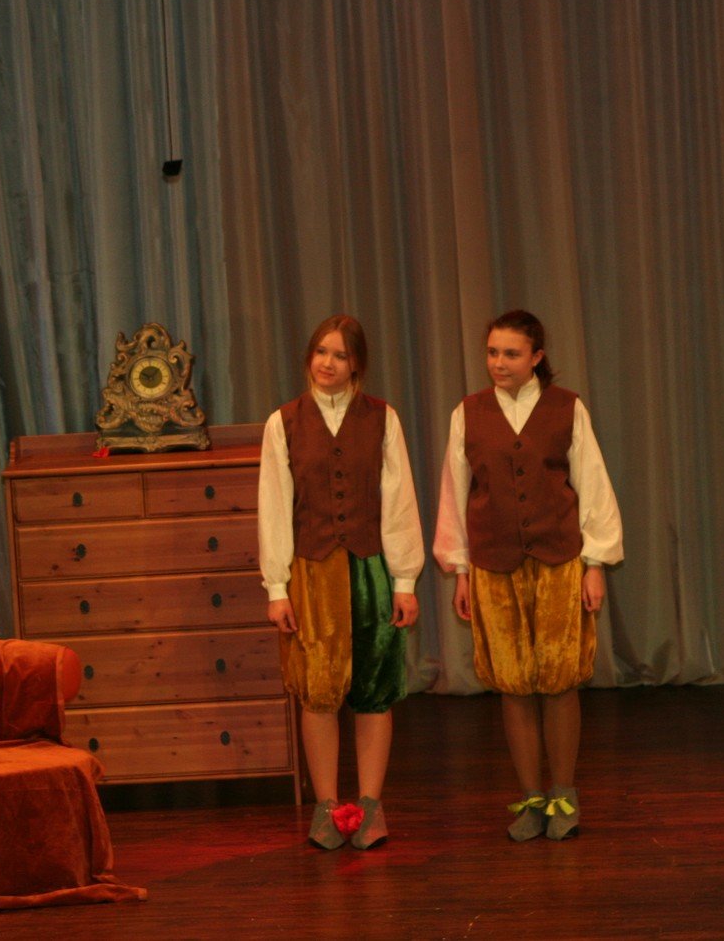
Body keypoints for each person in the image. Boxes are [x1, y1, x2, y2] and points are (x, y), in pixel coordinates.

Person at [434, 310, 622, 840]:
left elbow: (593, 485)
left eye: (511, 353)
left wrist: (594, 564)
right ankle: (531, 797)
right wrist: (461, 570)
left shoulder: (567, 409)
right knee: (513, 685)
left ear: (536, 356)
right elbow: (455, 493)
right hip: (493, 566)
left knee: (559, 681)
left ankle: (563, 793)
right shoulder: (468, 413)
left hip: (559, 562)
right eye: (492, 352)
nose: (498, 363)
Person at [257, 315, 425, 850]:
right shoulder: (283, 422)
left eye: (340, 355)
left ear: (357, 364)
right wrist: (277, 588)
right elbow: (274, 508)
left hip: (370, 568)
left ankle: (370, 804)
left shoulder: (382, 419)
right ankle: (327, 805)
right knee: (319, 693)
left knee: (374, 692)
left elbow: (398, 501)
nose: (328, 363)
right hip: (311, 572)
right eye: (321, 352)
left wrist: (404, 580)